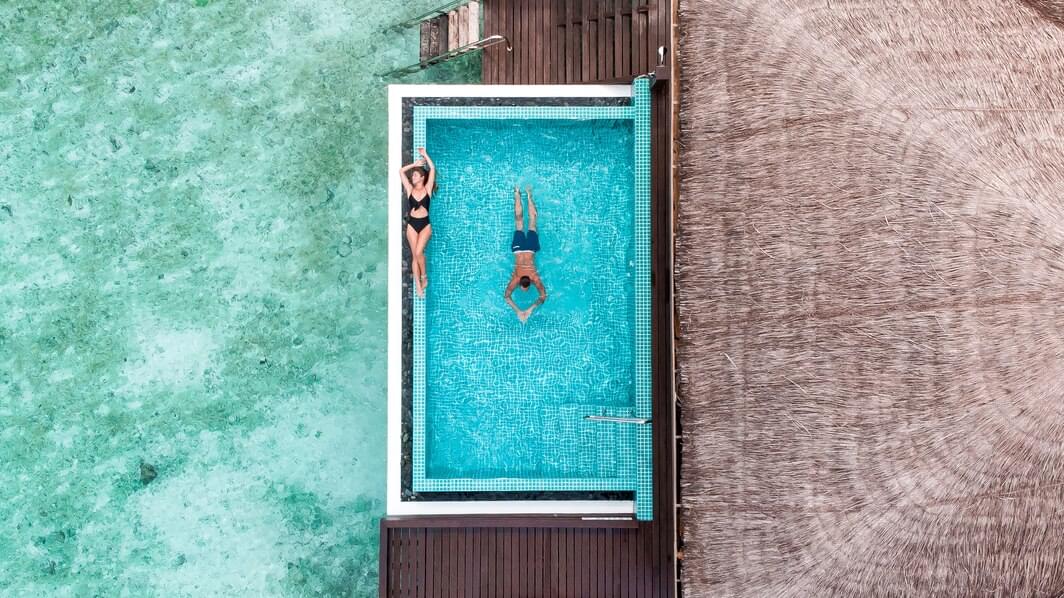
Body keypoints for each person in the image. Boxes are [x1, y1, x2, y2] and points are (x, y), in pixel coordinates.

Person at [504, 185, 547, 322]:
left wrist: (522, 311)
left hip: (530, 250)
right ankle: (524, 195)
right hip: (518, 250)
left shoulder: (534, 278)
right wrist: (527, 310)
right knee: (521, 222)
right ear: (523, 284)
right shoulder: (516, 279)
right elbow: (507, 296)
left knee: (530, 222)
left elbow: (542, 296)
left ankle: (522, 194)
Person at [398, 147, 435, 296]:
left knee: (419, 252)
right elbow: (401, 171)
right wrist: (414, 165)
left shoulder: (427, 188)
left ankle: (424, 275)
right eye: (412, 176)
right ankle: (419, 285)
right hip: (412, 225)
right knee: (415, 255)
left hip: (425, 225)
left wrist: (425, 155)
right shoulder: (409, 189)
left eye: (414, 175)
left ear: (421, 177)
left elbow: (432, 168)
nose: (412, 178)